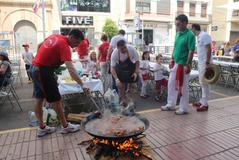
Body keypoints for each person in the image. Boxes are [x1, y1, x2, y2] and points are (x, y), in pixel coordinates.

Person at [31, 29, 89, 137]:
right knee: (56, 100)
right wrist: (82, 84)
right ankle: (65, 127)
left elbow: (40, 45)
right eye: (76, 42)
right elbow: (71, 69)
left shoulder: (55, 36)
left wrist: (39, 59)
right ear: (71, 37)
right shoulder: (65, 46)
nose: (76, 46)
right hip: (43, 71)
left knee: (39, 98)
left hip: (35, 67)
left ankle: (42, 128)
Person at [161, 14, 196, 115]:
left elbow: (191, 51)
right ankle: (171, 104)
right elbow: (175, 47)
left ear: (185, 23)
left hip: (183, 65)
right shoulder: (178, 33)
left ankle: (183, 108)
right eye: (176, 24)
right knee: (171, 84)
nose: (177, 26)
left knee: (183, 86)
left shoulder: (190, 35)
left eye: (179, 24)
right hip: (176, 63)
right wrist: (172, 58)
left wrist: (187, 64)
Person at [111, 40, 139, 107]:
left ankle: (130, 101)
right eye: (122, 49)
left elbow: (137, 62)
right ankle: (123, 100)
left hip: (131, 68)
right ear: (117, 48)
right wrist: (116, 79)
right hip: (121, 69)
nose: (124, 49)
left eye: (125, 47)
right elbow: (112, 68)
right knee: (121, 85)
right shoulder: (114, 54)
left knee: (132, 85)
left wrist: (136, 72)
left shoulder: (132, 49)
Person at [191, 24, 212, 112]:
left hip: (205, 63)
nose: (191, 31)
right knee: (202, 83)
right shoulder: (199, 37)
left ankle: (205, 104)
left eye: (191, 29)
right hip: (201, 63)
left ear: (194, 29)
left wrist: (207, 63)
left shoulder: (204, 35)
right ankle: (202, 101)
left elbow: (209, 49)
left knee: (204, 83)